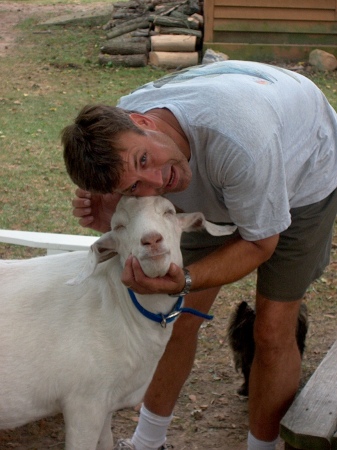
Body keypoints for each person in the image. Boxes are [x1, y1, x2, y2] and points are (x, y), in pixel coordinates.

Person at [61, 60, 337, 450]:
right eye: (135, 186)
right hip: (225, 161)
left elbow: (260, 244)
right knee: (177, 315)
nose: (157, 181)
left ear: (144, 121)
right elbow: (135, 197)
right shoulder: (125, 136)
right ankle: (147, 441)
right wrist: (114, 219)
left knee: (273, 327)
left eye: (144, 160)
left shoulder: (242, 139)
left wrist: (186, 279)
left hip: (302, 167)